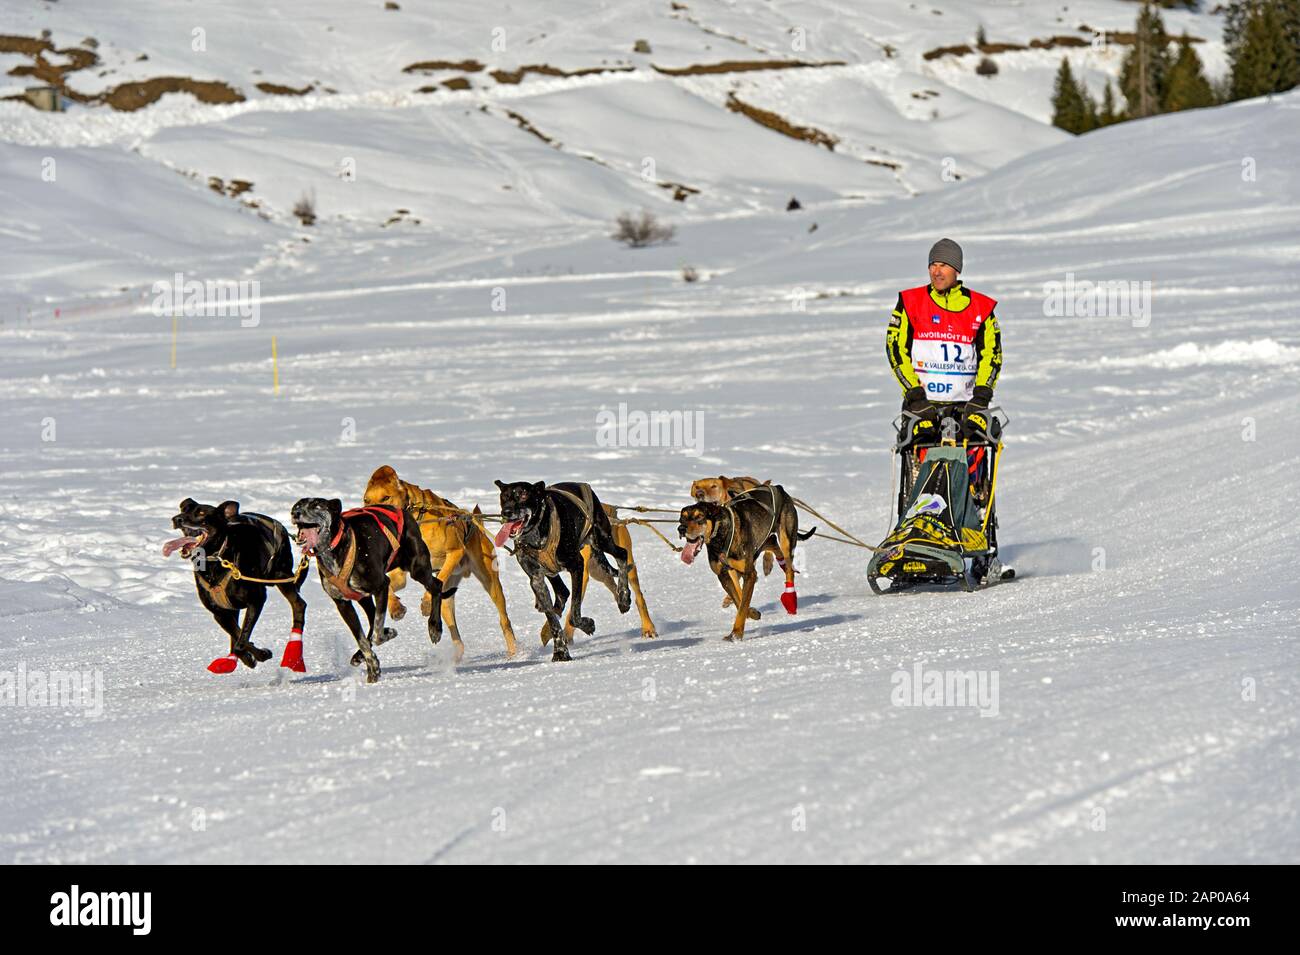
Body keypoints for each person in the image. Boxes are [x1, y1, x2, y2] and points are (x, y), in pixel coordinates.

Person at [885, 237, 1002, 445]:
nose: (937, 271)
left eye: (944, 265)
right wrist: (915, 395)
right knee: (921, 469)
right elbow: (895, 349)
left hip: (966, 406)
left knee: (972, 465)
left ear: (957, 270)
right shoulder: (911, 303)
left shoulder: (980, 307)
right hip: (922, 406)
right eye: (933, 265)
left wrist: (981, 397)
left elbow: (992, 355)